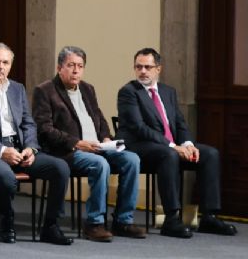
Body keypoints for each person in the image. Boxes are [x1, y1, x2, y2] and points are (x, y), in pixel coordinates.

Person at [0, 42, 73, 246]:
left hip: (19, 149)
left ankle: (50, 226)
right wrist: (2, 150)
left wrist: (31, 148)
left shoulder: (17, 88)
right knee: (6, 177)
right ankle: (6, 224)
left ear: (10, 65)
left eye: (5, 62)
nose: (0, 66)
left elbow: (28, 122)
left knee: (60, 168)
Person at [116, 47, 237, 238]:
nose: (143, 71)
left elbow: (179, 123)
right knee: (169, 154)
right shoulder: (129, 92)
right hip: (140, 147)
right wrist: (173, 146)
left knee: (210, 154)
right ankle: (171, 219)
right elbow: (140, 128)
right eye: (138, 67)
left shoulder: (167, 91)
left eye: (148, 67)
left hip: (169, 147)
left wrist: (187, 143)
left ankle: (209, 217)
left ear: (158, 69)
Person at [32, 46, 145, 242]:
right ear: (60, 68)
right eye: (71, 65)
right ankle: (94, 223)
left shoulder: (87, 88)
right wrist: (77, 143)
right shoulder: (45, 90)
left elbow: (99, 118)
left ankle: (122, 220)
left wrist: (107, 138)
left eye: (80, 66)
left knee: (132, 159)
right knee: (100, 164)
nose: (76, 70)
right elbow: (44, 129)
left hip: (98, 146)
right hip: (67, 151)